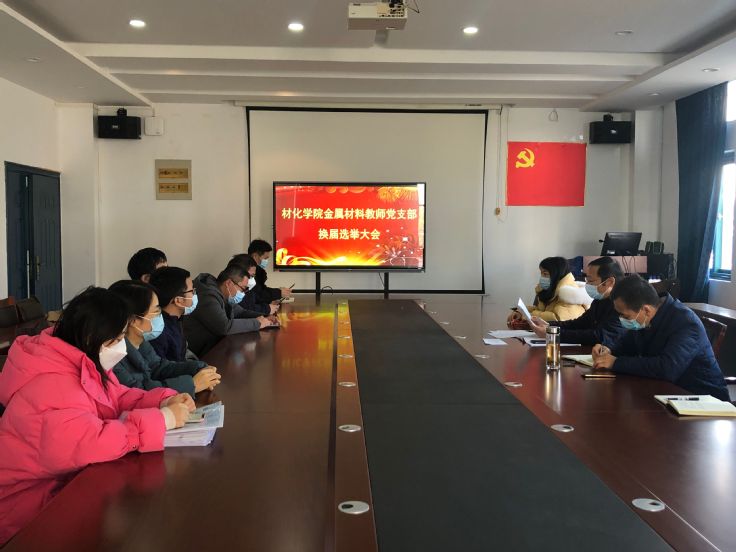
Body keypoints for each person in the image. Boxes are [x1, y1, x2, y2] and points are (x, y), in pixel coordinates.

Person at [0, 287, 194, 545]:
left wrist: (163, 400)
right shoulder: (50, 385)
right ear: (94, 335)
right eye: (118, 337)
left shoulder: (80, 359)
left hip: (62, 492)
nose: (122, 346)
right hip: (25, 516)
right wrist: (164, 419)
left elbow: (117, 398)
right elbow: (92, 442)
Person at [592, 275, 729, 401]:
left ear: (646, 310)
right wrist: (608, 349)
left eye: (625, 316)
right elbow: (627, 344)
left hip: (704, 401)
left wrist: (615, 363)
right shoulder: (647, 318)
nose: (621, 319)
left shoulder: (686, 323)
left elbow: (667, 368)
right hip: (667, 394)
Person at [109, 280, 221, 397]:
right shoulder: (113, 358)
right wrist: (192, 384)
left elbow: (159, 367)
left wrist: (198, 368)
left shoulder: (141, 341)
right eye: (156, 311)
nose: (161, 314)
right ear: (133, 320)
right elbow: (139, 392)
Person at [183, 262, 278, 357]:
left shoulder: (222, 293)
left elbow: (241, 312)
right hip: (201, 353)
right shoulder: (208, 296)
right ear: (228, 283)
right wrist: (257, 323)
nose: (243, 293)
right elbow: (225, 327)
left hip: (215, 346)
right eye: (243, 289)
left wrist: (265, 317)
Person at [528, 257, 626, 346]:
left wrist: (553, 333)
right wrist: (549, 325)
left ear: (609, 282)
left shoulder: (623, 304)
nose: (587, 284)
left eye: (590, 281)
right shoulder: (600, 299)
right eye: (586, 280)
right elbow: (579, 323)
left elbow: (599, 336)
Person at [508, 256, 591, 325]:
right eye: (541, 273)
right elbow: (541, 310)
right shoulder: (551, 289)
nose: (542, 277)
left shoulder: (570, 295)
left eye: (545, 274)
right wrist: (520, 312)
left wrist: (528, 316)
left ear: (556, 274)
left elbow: (557, 318)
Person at [148, 266, 202, 362]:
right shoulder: (158, 333)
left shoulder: (176, 318)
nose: (194, 294)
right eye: (192, 291)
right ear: (178, 300)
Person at [248, 239, 293, 304]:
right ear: (255, 256)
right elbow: (257, 294)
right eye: (265, 258)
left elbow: (261, 290)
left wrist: (270, 300)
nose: (266, 261)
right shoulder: (246, 271)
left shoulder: (258, 271)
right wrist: (279, 293)